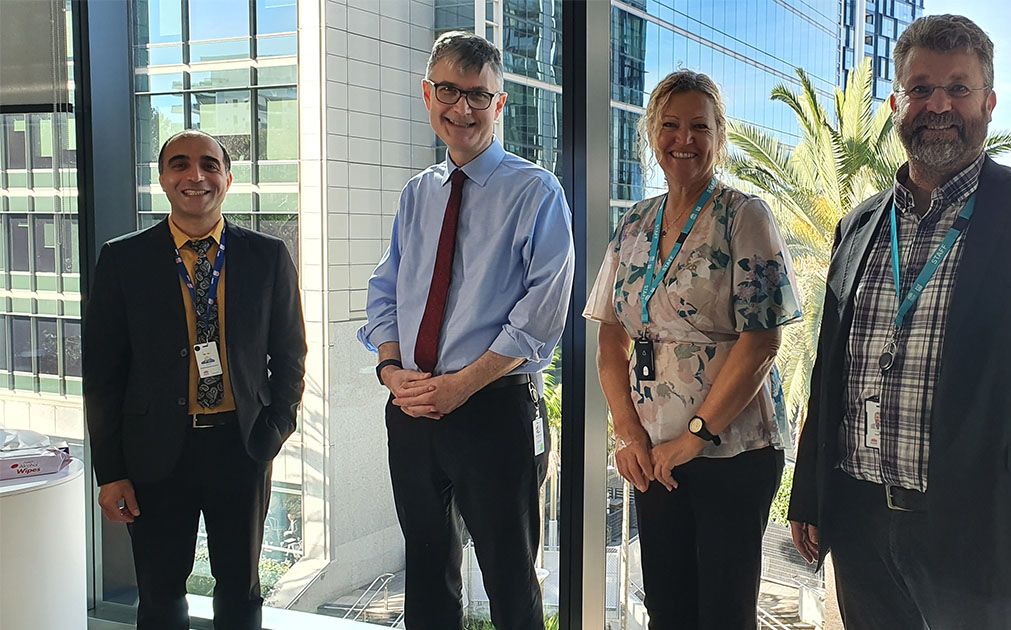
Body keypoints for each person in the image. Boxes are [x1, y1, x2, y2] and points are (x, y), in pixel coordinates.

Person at [787, 14, 1011, 629]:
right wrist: (808, 493)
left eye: (958, 88)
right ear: (896, 104)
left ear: (989, 102)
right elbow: (828, 371)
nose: (938, 105)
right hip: (861, 531)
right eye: (920, 89)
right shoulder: (858, 225)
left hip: (983, 539)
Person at [358, 31, 573, 630]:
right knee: (426, 573)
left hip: (493, 410)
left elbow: (543, 311)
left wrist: (462, 385)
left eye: (479, 95)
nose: (463, 108)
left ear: (499, 105)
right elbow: (386, 289)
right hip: (413, 406)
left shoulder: (536, 191)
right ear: (428, 95)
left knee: (508, 577)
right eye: (449, 91)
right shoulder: (417, 194)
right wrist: (390, 368)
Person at [584, 69, 802, 630]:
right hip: (654, 455)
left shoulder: (744, 216)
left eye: (699, 127)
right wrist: (629, 432)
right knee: (668, 606)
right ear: (651, 133)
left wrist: (694, 436)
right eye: (671, 125)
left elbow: (761, 341)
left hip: (732, 452)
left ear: (718, 136)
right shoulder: (634, 222)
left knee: (723, 615)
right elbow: (610, 332)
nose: (684, 139)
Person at [83, 129, 306, 629]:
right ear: (162, 179)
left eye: (209, 164)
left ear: (227, 178)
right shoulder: (123, 260)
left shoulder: (267, 256)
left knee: (241, 593)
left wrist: (271, 433)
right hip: (155, 452)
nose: (195, 175)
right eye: (180, 164)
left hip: (241, 445)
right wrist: (111, 470)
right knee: (160, 595)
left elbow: (290, 355)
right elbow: (103, 375)